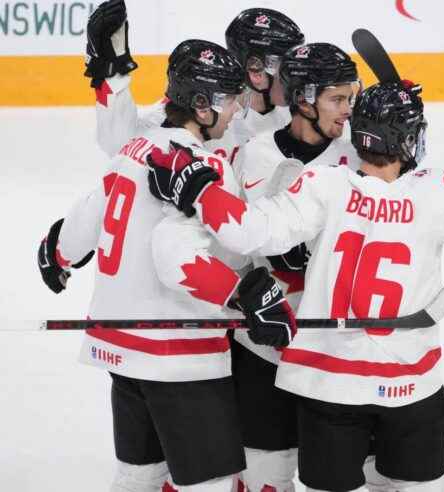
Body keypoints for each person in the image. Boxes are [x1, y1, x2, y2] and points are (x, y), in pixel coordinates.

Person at [145, 74, 444, 490]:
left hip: (327, 386)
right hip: (408, 384)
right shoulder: (434, 193)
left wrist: (202, 190)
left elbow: (246, 230)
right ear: (409, 140)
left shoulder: (322, 185)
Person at [37, 39, 295, 491]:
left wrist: (59, 252)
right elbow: (180, 261)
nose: (237, 111)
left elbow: (91, 213)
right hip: (179, 355)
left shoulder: (137, 146)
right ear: (201, 105)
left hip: (119, 349)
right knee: (211, 483)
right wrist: (242, 294)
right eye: (230, 100)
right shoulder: (205, 164)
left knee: (139, 477)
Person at [225, 41, 362, 491]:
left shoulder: (359, 157)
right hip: (263, 343)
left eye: (352, 98)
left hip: (333, 349)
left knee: (340, 476)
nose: (348, 110)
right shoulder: (255, 154)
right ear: (304, 99)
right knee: (266, 473)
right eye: (338, 99)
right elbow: (256, 251)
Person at [84, 1, 304, 161]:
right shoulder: (200, 106)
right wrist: (111, 74)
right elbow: (119, 143)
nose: (293, 76)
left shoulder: (299, 117)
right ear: (255, 71)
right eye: (283, 66)